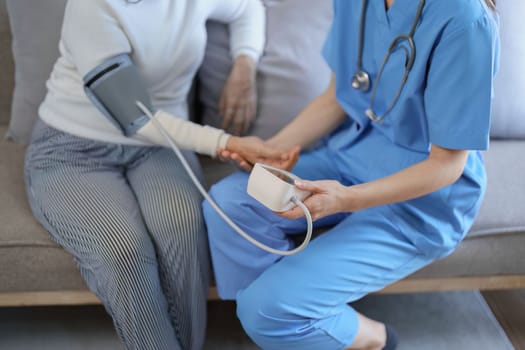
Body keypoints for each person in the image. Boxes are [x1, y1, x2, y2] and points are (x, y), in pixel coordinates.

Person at [203, 0, 500, 349]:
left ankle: (374, 339)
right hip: (350, 155)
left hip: (420, 201)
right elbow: (337, 97)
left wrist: (346, 198)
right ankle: (283, 326)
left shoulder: (464, 20)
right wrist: (272, 150)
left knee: (268, 310)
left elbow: (448, 164)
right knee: (229, 204)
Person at [23, 0, 297, 349]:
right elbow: (135, 117)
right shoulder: (92, 6)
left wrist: (244, 65)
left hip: (163, 147)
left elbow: (247, 8)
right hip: (74, 149)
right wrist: (226, 142)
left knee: (181, 231)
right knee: (123, 250)